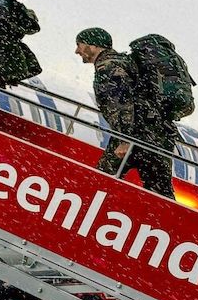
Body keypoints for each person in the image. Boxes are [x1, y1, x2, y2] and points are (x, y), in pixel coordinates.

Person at [75, 28, 175, 198]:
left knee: (100, 181)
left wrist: (125, 139)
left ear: (94, 45)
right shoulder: (126, 62)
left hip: (136, 135)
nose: (77, 51)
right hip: (159, 134)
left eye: (80, 45)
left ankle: (88, 213)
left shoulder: (108, 67)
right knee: (161, 194)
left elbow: (121, 104)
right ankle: (168, 222)